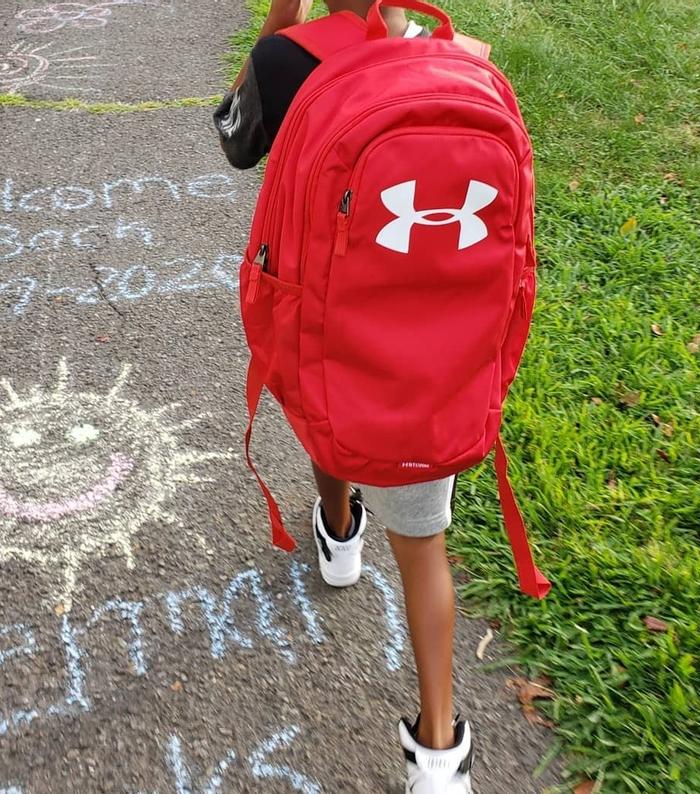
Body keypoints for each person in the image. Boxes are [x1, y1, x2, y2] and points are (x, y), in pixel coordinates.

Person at [215, 2, 475, 791]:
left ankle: (338, 532)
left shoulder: (288, 59)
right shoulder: (452, 55)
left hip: (327, 322)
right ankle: (438, 753)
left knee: (325, 416)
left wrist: (279, 19)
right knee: (424, 546)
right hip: (435, 345)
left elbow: (234, 138)